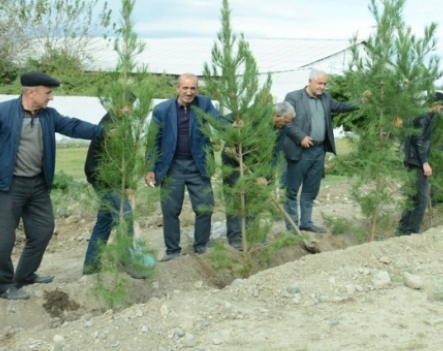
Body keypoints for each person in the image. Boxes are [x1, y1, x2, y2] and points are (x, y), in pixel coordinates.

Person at [0, 72, 104, 300]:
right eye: (48, 93)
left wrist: (104, 132)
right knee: (3, 240)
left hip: (37, 185)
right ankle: (2, 285)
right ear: (32, 93)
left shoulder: (48, 115)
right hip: (7, 185)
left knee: (43, 230)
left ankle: (25, 275)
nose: (52, 97)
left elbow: (73, 126)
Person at [146, 73, 223, 261]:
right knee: (170, 210)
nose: (189, 92)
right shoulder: (162, 110)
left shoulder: (203, 103)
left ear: (197, 89)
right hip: (172, 166)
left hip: (198, 165)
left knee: (205, 207)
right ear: (177, 88)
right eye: (185, 88)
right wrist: (149, 168)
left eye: (193, 88)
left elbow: (218, 120)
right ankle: (173, 251)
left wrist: (234, 127)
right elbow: (152, 141)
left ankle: (201, 246)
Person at [282, 69, 359, 233]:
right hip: (299, 151)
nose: (323, 87)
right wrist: (301, 137)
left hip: (318, 151)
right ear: (310, 81)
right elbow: (285, 122)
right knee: (292, 191)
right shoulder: (293, 97)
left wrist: (362, 101)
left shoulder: (326, 98)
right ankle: (292, 227)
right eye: (320, 83)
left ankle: (306, 223)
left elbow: (342, 107)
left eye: (325, 84)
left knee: (311, 189)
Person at [82, 93, 147, 278]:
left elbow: (128, 159)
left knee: (104, 221)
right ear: (113, 103)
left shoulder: (123, 123)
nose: (127, 109)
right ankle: (126, 261)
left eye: (130, 105)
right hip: (104, 179)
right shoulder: (110, 124)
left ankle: (91, 266)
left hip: (113, 180)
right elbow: (114, 161)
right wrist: (125, 185)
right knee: (125, 216)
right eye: (123, 104)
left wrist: (129, 183)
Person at [221, 101, 296, 249]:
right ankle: (236, 238)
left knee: (255, 200)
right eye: (286, 122)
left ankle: (252, 235)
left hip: (258, 165)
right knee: (236, 199)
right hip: (235, 161)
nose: (287, 125)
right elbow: (223, 120)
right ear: (277, 115)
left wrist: (265, 176)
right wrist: (230, 132)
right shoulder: (254, 112)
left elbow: (275, 153)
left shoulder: (281, 128)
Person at [397, 92, 443, 235]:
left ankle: (402, 230)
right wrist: (425, 162)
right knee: (422, 199)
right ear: (436, 104)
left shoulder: (422, 115)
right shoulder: (423, 117)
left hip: (412, 159)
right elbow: (418, 141)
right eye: (441, 107)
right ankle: (411, 232)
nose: (440, 111)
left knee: (413, 196)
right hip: (416, 161)